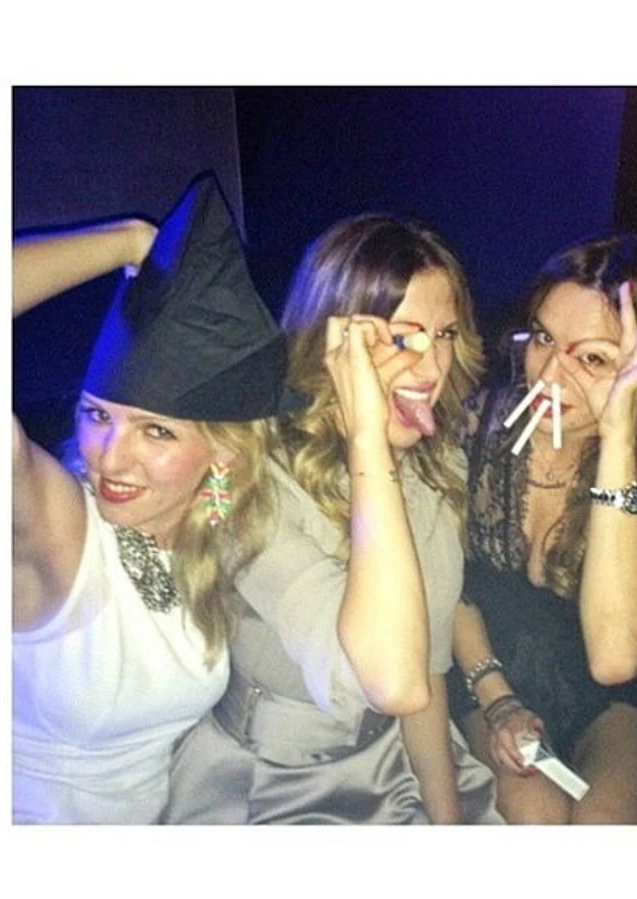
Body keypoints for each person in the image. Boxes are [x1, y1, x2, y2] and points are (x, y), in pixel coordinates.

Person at [163, 214, 503, 824]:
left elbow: (424, 674)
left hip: (392, 760)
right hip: (269, 783)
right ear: (332, 342)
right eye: (402, 338)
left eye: (444, 334)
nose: (432, 369)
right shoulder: (242, 476)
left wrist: (447, 821)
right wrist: (366, 436)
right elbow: (385, 677)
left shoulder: (437, 466)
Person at [12, 174, 308, 824]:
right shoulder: (59, 525)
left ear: (223, 455)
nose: (109, 456)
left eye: (156, 431)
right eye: (96, 415)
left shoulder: (217, 528)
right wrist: (127, 241)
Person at [446, 233, 637, 823]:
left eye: (592, 359)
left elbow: (614, 661)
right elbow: (447, 586)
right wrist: (498, 700)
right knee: (535, 818)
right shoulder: (475, 427)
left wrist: (619, 439)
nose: (549, 374)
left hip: (607, 698)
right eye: (543, 338)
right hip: (486, 668)